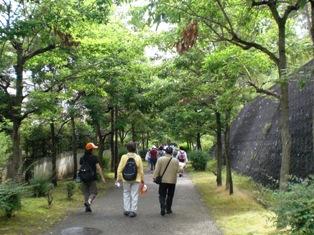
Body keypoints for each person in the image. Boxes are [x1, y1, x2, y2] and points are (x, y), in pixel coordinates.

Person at [116, 142, 144, 218]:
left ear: (127, 148)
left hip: (125, 178)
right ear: (135, 149)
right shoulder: (138, 157)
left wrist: (118, 178)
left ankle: (127, 210)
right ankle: (133, 211)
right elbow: (141, 170)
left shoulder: (123, 157)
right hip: (136, 179)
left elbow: (119, 168)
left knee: (126, 193)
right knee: (134, 194)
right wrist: (142, 179)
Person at [79, 142, 106, 213]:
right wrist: (102, 177)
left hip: (83, 178)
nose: (94, 150)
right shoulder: (94, 158)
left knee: (86, 193)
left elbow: (81, 168)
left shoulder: (82, 158)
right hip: (91, 178)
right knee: (94, 192)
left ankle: (87, 207)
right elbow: (98, 168)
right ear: (91, 150)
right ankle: (89, 201)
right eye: (93, 149)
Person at [153, 146, 179, 216]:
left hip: (163, 180)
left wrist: (154, 177)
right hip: (172, 180)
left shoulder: (160, 159)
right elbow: (178, 170)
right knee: (170, 195)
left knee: (162, 194)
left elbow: (157, 169)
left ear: (165, 152)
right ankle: (168, 209)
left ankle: (162, 206)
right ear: (172, 152)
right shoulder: (175, 160)